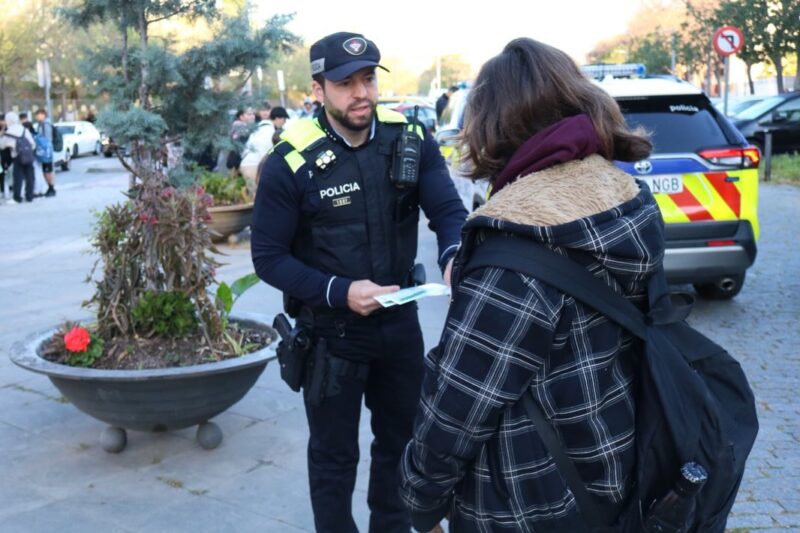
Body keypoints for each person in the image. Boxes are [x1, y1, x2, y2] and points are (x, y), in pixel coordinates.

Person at [399, 37, 661, 532]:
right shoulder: (626, 201)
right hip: (615, 467)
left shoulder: (515, 246)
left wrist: (420, 499)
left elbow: (457, 404)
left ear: (492, 126)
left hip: (528, 500)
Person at [251, 31, 467, 532]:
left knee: (402, 445)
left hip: (399, 327)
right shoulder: (291, 161)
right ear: (318, 88)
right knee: (333, 457)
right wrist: (339, 291)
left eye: (368, 78)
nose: (361, 93)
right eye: (345, 83)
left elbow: (448, 212)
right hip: (331, 337)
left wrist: (456, 254)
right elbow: (268, 257)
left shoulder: (408, 138)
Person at [0, 111, 37, 203]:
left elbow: (2, 145)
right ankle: (29, 196)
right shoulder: (24, 129)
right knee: (30, 176)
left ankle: (17, 197)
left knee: (18, 177)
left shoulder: (9, 131)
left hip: (17, 156)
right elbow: (32, 144)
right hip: (28, 155)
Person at [34, 109, 56, 197]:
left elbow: (48, 140)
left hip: (46, 152)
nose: (37, 117)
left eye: (38, 115)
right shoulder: (41, 124)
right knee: (45, 171)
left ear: (43, 115)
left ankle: (51, 187)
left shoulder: (46, 125)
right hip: (44, 151)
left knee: (48, 171)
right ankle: (50, 187)